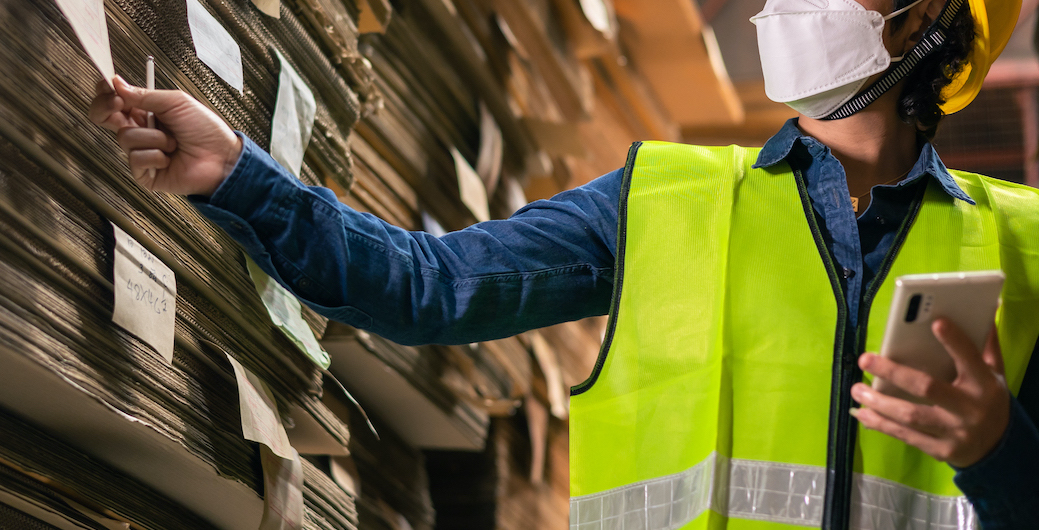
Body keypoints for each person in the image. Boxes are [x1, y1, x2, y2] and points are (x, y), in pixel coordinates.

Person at [89, 0, 1039, 527]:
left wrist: (997, 453)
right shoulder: (664, 199)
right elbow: (427, 287)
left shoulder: (1023, 246)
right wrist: (238, 176)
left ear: (929, 23)